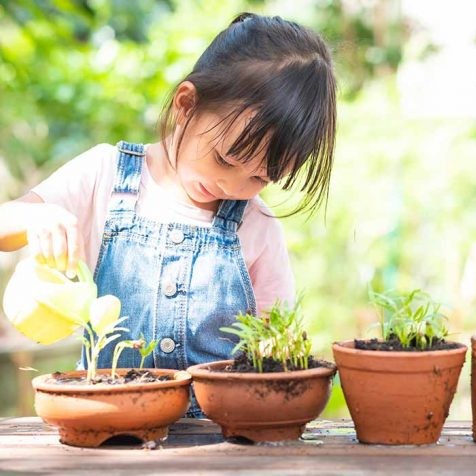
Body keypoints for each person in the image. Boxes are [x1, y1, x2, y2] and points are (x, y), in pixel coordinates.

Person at [0, 12, 337, 417]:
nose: (233, 187)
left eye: (260, 177)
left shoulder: (256, 225)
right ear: (187, 105)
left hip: (216, 441)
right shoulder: (105, 174)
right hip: (107, 424)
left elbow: (275, 346)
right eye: (225, 158)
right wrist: (35, 218)